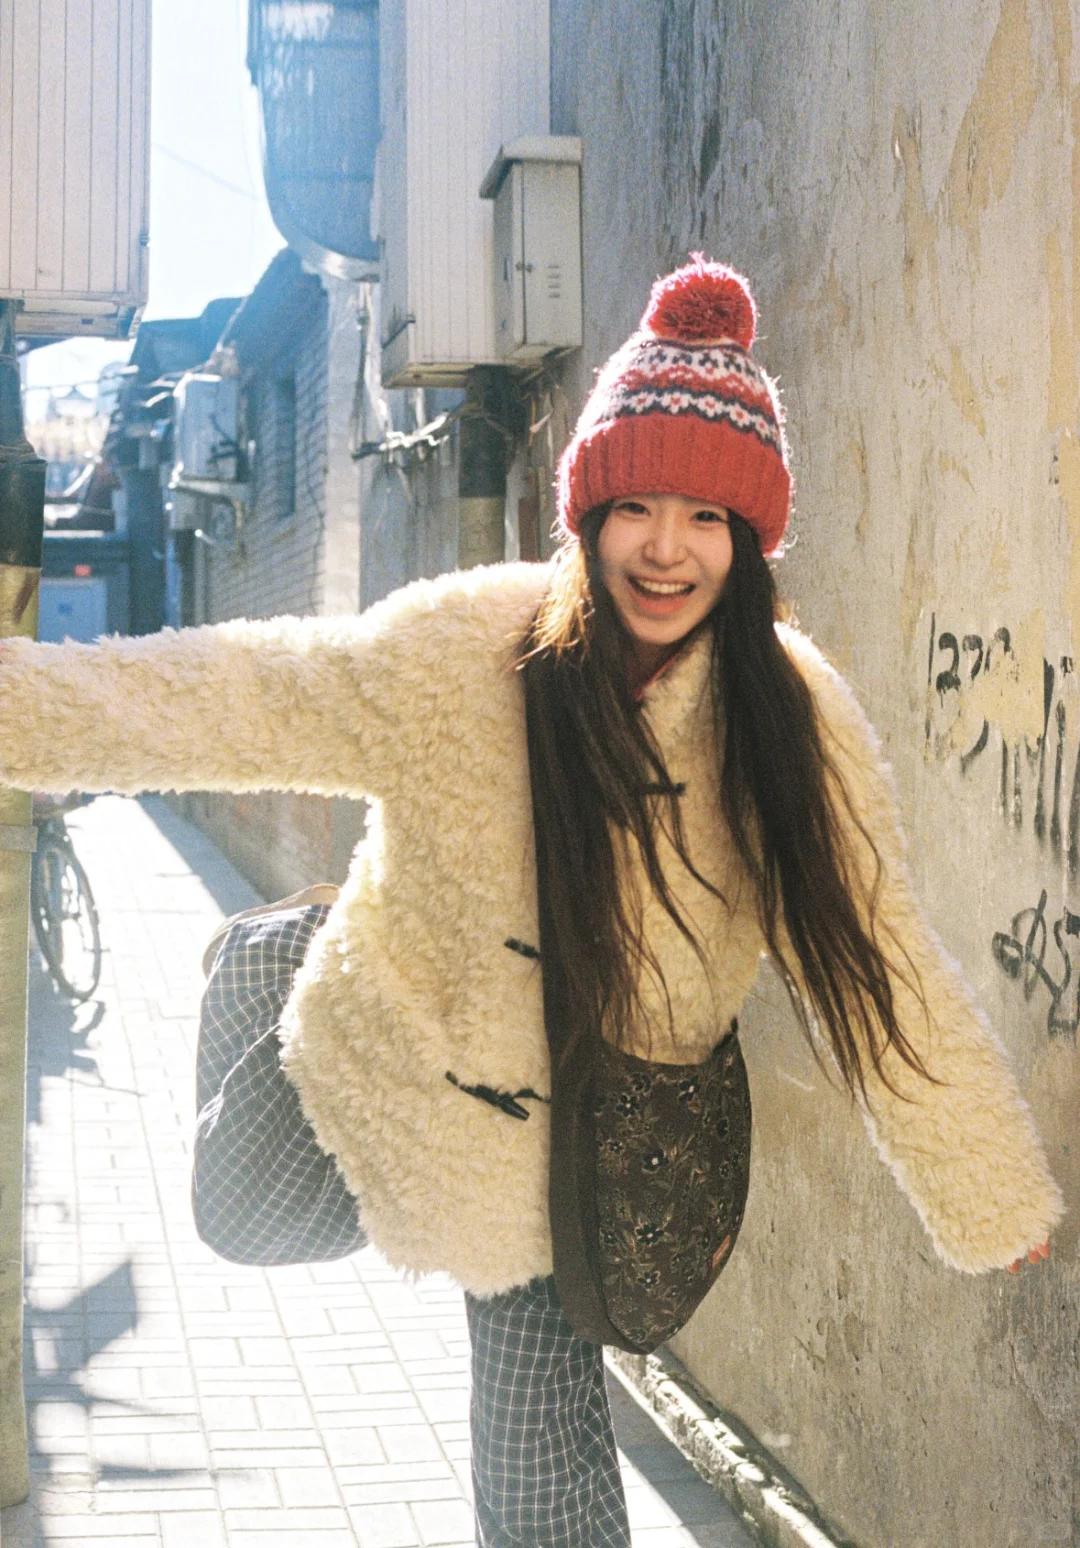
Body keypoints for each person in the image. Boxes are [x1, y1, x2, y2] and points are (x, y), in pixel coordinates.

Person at [0, 257, 1061, 1546]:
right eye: (637, 507)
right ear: (588, 512)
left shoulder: (792, 723)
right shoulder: (459, 645)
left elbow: (882, 960)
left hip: (581, 1143)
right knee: (245, 1217)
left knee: (543, 1457)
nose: (665, 548)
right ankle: (281, 954)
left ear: (750, 540)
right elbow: (236, 691)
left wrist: (984, 1188)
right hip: (383, 1042)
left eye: (706, 516)